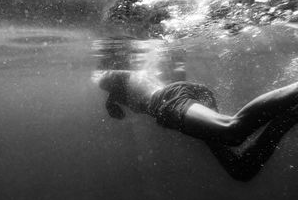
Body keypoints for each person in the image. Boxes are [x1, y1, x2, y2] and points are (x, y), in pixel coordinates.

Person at [97, 70, 298, 181]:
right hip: (184, 95)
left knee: (232, 131)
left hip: (168, 101)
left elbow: (111, 77)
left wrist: (110, 101)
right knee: (241, 170)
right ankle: (291, 116)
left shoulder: (114, 79)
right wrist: (111, 100)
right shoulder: (125, 83)